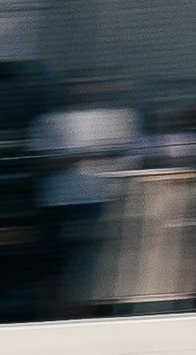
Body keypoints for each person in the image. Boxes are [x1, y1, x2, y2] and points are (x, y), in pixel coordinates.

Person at [27, 79, 142, 317]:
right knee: (62, 263)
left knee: (100, 262)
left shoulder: (121, 118)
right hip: (61, 204)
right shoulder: (49, 122)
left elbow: (131, 157)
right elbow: (40, 162)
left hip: (103, 201)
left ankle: (94, 309)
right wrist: (82, 157)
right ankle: (62, 312)